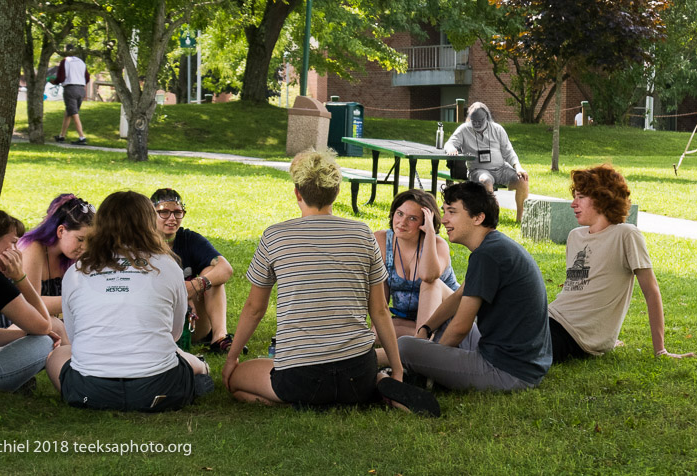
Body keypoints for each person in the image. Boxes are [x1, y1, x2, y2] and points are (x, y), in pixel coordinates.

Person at [222, 150, 440, 416]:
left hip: (299, 377)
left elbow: (255, 308)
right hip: (358, 373)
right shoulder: (363, 234)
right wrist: (395, 369)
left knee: (237, 384)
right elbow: (380, 310)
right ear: (337, 192)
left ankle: (301, 402)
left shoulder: (275, 236)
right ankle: (379, 383)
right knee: (358, 376)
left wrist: (232, 357)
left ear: (297, 193)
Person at [45, 191, 212, 412]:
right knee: (177, 354)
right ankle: (202, 372)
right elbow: (174, 333)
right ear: (149, 223)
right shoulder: (168, 265)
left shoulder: (77, 270)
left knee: (57, 355)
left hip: (89, 390)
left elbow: (75, 337)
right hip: (160, 387)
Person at [398, 181, 552, 391]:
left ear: (478, 217)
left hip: (506, 371)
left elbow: (461, 328)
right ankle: (424, 375)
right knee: (439, 323)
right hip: (520, 363)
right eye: (444, 211)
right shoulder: (494, 246)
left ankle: (421, 376)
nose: (443, 220)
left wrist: (431, 361)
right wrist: (426, 328)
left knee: (404, 346)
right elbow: (458, 297)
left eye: (452, 212)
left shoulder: (487, 255)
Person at [548, 165, 696, 362]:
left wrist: (660, 350)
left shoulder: (626, 234)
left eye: (581, 197)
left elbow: (651, 292)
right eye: (574, 196)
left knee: (509, 346)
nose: (573, 204)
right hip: (548, 317)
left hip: (574, 335)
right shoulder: (575, 236)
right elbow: (579, 290)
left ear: (602, 199)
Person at [0, 210, 59, 392]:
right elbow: (44, 326)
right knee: (45, 341)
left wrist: (21, 336)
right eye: (13, 243)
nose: (17, 252)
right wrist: (20, 278)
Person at [373, 190, 459, 364]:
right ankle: (431, 344)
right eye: (399, 214)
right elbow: (380, 291)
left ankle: (418, 349)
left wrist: (428, 235)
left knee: (430, 282)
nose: (402, 222)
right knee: (376, 333)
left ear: (425, 222)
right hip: (410, 323)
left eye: (412, 218)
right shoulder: (382, 240)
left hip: (448, 316)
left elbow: (428, 276)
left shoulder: (438, 245)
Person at [149, 188, 239, 353]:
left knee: (212, 272)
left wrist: (195, 286)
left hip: (192, 321)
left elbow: (225, 268)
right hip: (155, 321)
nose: (172, 218)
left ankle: (219, 338)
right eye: (164, 212)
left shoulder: (188, 239)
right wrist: (180, 293)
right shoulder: (141, 244)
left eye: (178, 212)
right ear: (150, 214)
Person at [444, 102, 530, 222]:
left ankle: (520, 219)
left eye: (480, 120)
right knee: (486, 180)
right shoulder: (464, 129)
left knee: (522, 180)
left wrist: (518, 167)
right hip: (478, 170)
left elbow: (508, 152)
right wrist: (451, 148)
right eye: (474, 120)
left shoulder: (497, 129)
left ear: (487, 118)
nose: (477, 123)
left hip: (501, 169)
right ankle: (493, 215)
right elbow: (449, 144)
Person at [19, 194, 94, 323]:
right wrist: (80, 299)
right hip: (19, 327)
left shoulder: (72, 255)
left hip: (51, 326)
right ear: (60, 231)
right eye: (80, 239)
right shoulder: (32, 249)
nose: (85, 247)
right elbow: (29, 304)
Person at [51, 44, 90, 145]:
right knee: (68, 113)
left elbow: (61, 78)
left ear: (65, 51)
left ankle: (82, 138)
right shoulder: (81, 62)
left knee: (74, 113)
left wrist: (53, 81)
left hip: (70, 89)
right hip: (81, 89)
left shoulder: (65, 61)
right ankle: (61, 136)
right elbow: (87, 78)